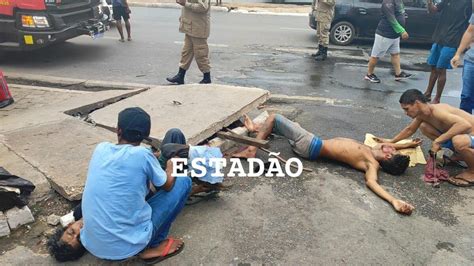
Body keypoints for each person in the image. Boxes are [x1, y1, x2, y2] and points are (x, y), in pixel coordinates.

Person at [47, 107, 192, 263]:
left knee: (174, 135)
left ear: (118, 130)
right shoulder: (103, 148)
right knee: (183, 179)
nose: (79, 231)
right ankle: (154, 245)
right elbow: (167, 185)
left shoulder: (103, 150)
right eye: (79, 238)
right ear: (144, 136)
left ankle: (182, 173)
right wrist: (171, 168)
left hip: (148, 186)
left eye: (71, 232)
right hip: (138, 230)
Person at [233, 114, 417, 215]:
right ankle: (255, 130)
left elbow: (372, 183)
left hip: (312, 145)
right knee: (291, 124)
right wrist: (407, 144)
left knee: (274, 117)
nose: (390, 148)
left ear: (386, 159)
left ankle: (251, 149)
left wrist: (394, 200)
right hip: (310, 145)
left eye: (391, 152)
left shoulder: (372, 163)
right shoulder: (374, 150)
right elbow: (386, 144)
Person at [377, 89, 474, 187]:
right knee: (424, 127)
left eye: (407, 109)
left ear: (417, 103)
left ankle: (472, 173)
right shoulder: (423, 114)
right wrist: (391, 142)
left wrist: (437, 141)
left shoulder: (437, 111)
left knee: (458, 141)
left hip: (470, 135)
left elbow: (464, 125)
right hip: (468, 138)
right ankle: (460, 155)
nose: (406, 113)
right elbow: (410, 130)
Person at [423, 0, 471, 103]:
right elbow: (433, 11)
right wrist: (429, 3)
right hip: (439, 37)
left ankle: (437, 98)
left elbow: (470, 25)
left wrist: (466, 43)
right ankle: (427, 93)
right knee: (433, 66)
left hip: (452, 40)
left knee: (441, 69)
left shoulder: (468, 3)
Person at [364, 0, 411, 83]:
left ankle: (398, 74)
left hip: (394, 35)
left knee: (395, 54)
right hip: (385, 34)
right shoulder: (387, 2)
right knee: (375, 56)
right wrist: (401, 31)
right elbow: (391, 18)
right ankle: (369, 74)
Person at [167, 0, 212, 85]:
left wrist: (186, 4)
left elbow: (203, 7)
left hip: (198, 28)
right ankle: (180, 76)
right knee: (186, 53)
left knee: (201, 54)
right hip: (190, 27)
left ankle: (207, 77)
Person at [451, 13, 474, 114]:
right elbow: (470, 31)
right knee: (466, 96)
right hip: (471, 60)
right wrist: (458, 54)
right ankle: (466, 126)